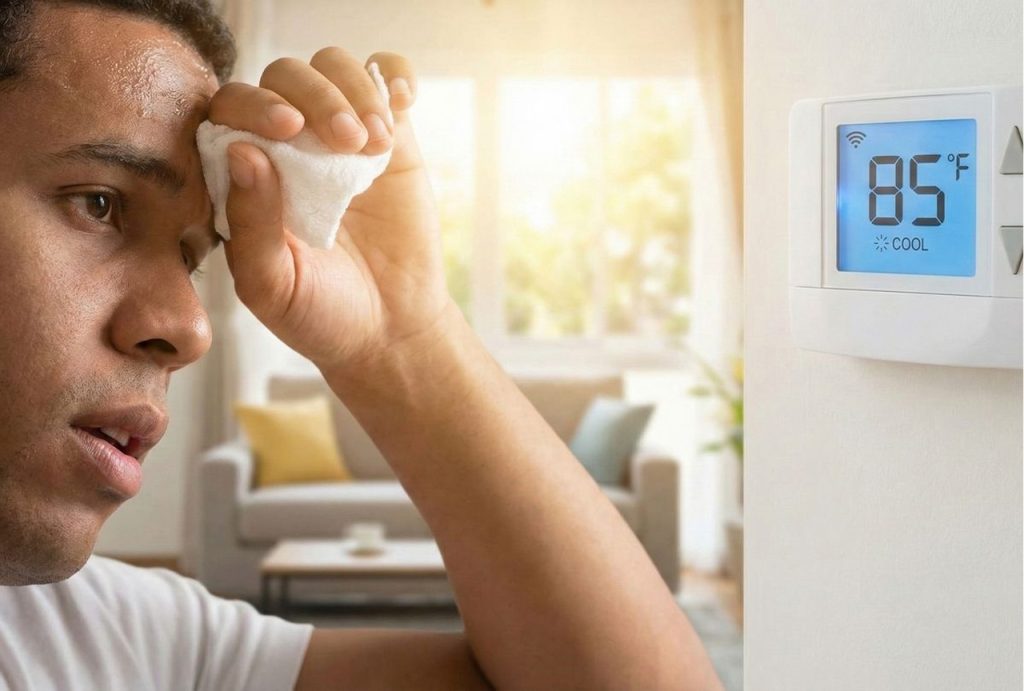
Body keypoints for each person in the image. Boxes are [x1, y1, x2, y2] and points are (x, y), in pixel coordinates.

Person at [0, 1, 723, 689]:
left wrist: (403, 336)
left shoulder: (118, 641)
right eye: (99, 203)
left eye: (191, 255)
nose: (190, 328)